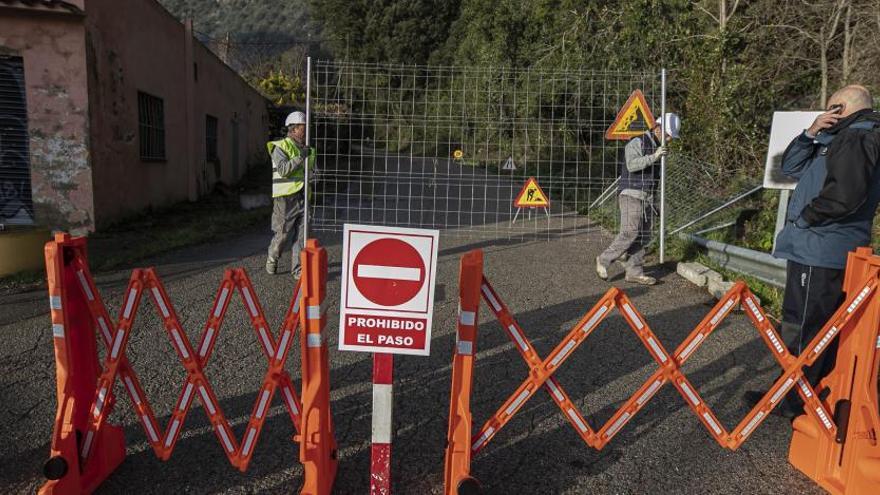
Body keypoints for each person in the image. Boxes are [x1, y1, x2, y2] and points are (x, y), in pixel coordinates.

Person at [765, 85, 880, 414]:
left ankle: (791, 400)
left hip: (821, 247)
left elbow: (845, 196)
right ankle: (799, 394)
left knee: (804, 327)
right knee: (814, 327)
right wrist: (810, 133)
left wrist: (806, 219)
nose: (824, 113)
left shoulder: (857, 138)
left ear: (842, 108)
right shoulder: (837, 139)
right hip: (816, 246)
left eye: (830, 108)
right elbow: (790, 168)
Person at [596, 113, 681, 285]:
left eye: (671, 136)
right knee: (630, 232)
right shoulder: (637, 142)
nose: (669, 139)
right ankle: (604, 260)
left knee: (644, 236)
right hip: (631, 194)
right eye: (667, 135)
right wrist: (654, 157)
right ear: (657, 128)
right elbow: (632, 165)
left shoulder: (660, 149)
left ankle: (634, 272)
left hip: (648, 198)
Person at [265, 111, 316, 277]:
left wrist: (315, 175)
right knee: (282, 234)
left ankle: (298, 270)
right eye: (303, 128)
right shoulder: (280, 147)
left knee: (302, 235)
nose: (306, 131)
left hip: (303, 197)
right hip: (285, 199)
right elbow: (284, 170)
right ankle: (273, 256)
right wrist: (301, 157)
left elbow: (313, 171)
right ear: (293, 129)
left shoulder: (308, 150)